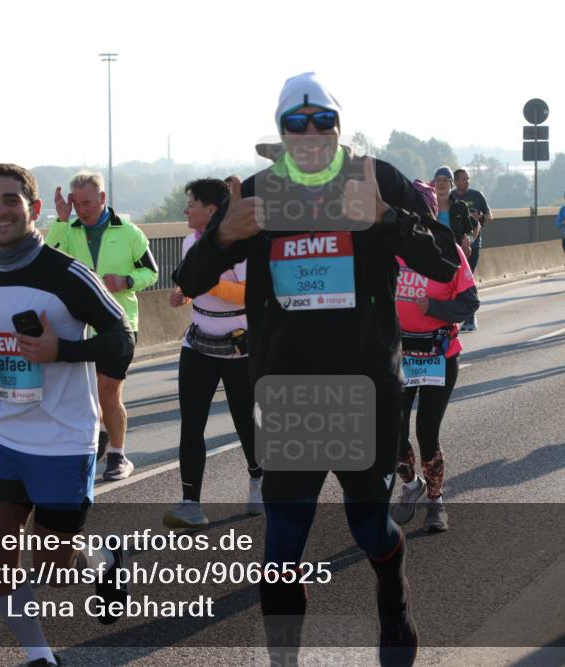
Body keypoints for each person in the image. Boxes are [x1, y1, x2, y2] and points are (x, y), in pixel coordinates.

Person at [173, 72, 459, 666]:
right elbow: (188, 280)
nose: (309, 133)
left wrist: (385, 218)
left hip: (365, 390)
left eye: (322, 121)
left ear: (338, 125)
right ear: (280, 131)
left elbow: (439, 260)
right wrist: (223, 233)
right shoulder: (258, 191)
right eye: (295, 124)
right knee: (280, 550)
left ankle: (392, 594)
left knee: (369, 530)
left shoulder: (375, 178)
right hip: (290, 391)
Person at [0, 163, 136, 666]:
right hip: (3, 439)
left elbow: (122, 338)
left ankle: (102, 560)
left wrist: (63, 352)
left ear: (33, 210)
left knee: (55, 569)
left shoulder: (67, 274)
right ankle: (40, 657)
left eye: (11, 200)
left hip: (63, 438)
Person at [163, 178, 263, 529]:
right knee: (191, 424)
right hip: (198, 343)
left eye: (191, 203)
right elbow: (191, 284)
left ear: (211, 209)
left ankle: (257, 479)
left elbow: (248, 294)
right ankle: (191, 502)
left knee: (244, 420)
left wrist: (207, 281)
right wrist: (184, 295)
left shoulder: (242, 245)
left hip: (238, 345)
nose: (185, 210)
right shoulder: (190, 241)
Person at [47, 172, 159, 481]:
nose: (82, 210)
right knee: (84, 396)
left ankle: (118, 455)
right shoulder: (67, 230)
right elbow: (44, 259)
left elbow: (152, 272)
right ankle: (92, 445)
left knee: (108, 392)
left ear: (103, 199)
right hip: (78, 325)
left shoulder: (129, 232)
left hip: (119, 324)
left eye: (88, 203)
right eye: (77, 203)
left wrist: (127, 281)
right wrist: (60, 219)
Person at [391, 180, 478, 532]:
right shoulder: (389, 251)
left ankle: (435, 500)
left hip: (438, 353)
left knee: (427, 431)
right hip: (399, 355)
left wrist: (436, 306)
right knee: (392, 432)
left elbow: (469, 303)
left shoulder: (449, 251)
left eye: (416, 210)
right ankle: (411, 485)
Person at [452, 168, 492, 331]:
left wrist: (479, 218)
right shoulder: (450, 197)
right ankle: (454, 317)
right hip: (454, 244)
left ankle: (470, 318)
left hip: (473, 243)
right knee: (453, 280)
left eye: (467, 178)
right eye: (462, 179)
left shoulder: (477, 195)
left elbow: (490, 217)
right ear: (455, 181)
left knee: (467, 278)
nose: (466, 181)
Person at [432, 166, 473, 258]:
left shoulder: (460, 207)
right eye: (438, 180)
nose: (441, 183)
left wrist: (467, 243)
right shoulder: (427, 207)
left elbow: (469, 233)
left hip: (456, 256)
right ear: (434, 183)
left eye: (445, 180)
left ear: (451, 184)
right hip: (433, 255)